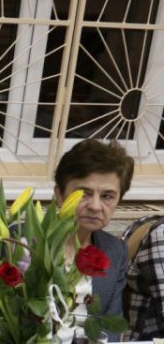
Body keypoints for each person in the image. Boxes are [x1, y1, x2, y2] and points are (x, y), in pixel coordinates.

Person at [54, 139, 131, 331]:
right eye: (84, 194)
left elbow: (110, 326)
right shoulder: (21, 241)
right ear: (60, 195)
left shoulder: (115, 250)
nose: (95, 206)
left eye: (107, 196)